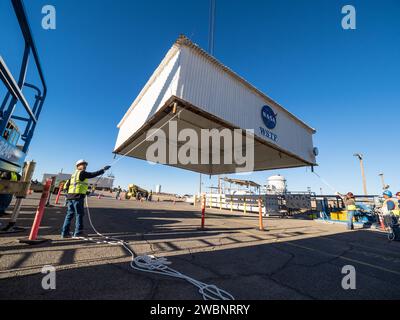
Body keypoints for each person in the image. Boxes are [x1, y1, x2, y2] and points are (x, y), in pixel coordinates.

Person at [61, 160, 111, 239]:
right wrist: (103, 170)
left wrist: (86, 192)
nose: (84, 166)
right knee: (79, 214)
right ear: (77, 166)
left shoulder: (74, 175)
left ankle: (64, 233)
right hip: (77, 197)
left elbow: (76, 186)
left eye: (85, 165)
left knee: (69, 215)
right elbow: (92, 174)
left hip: (71, 197)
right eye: (82, 164)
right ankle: (78, 232)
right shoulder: (82, 173)